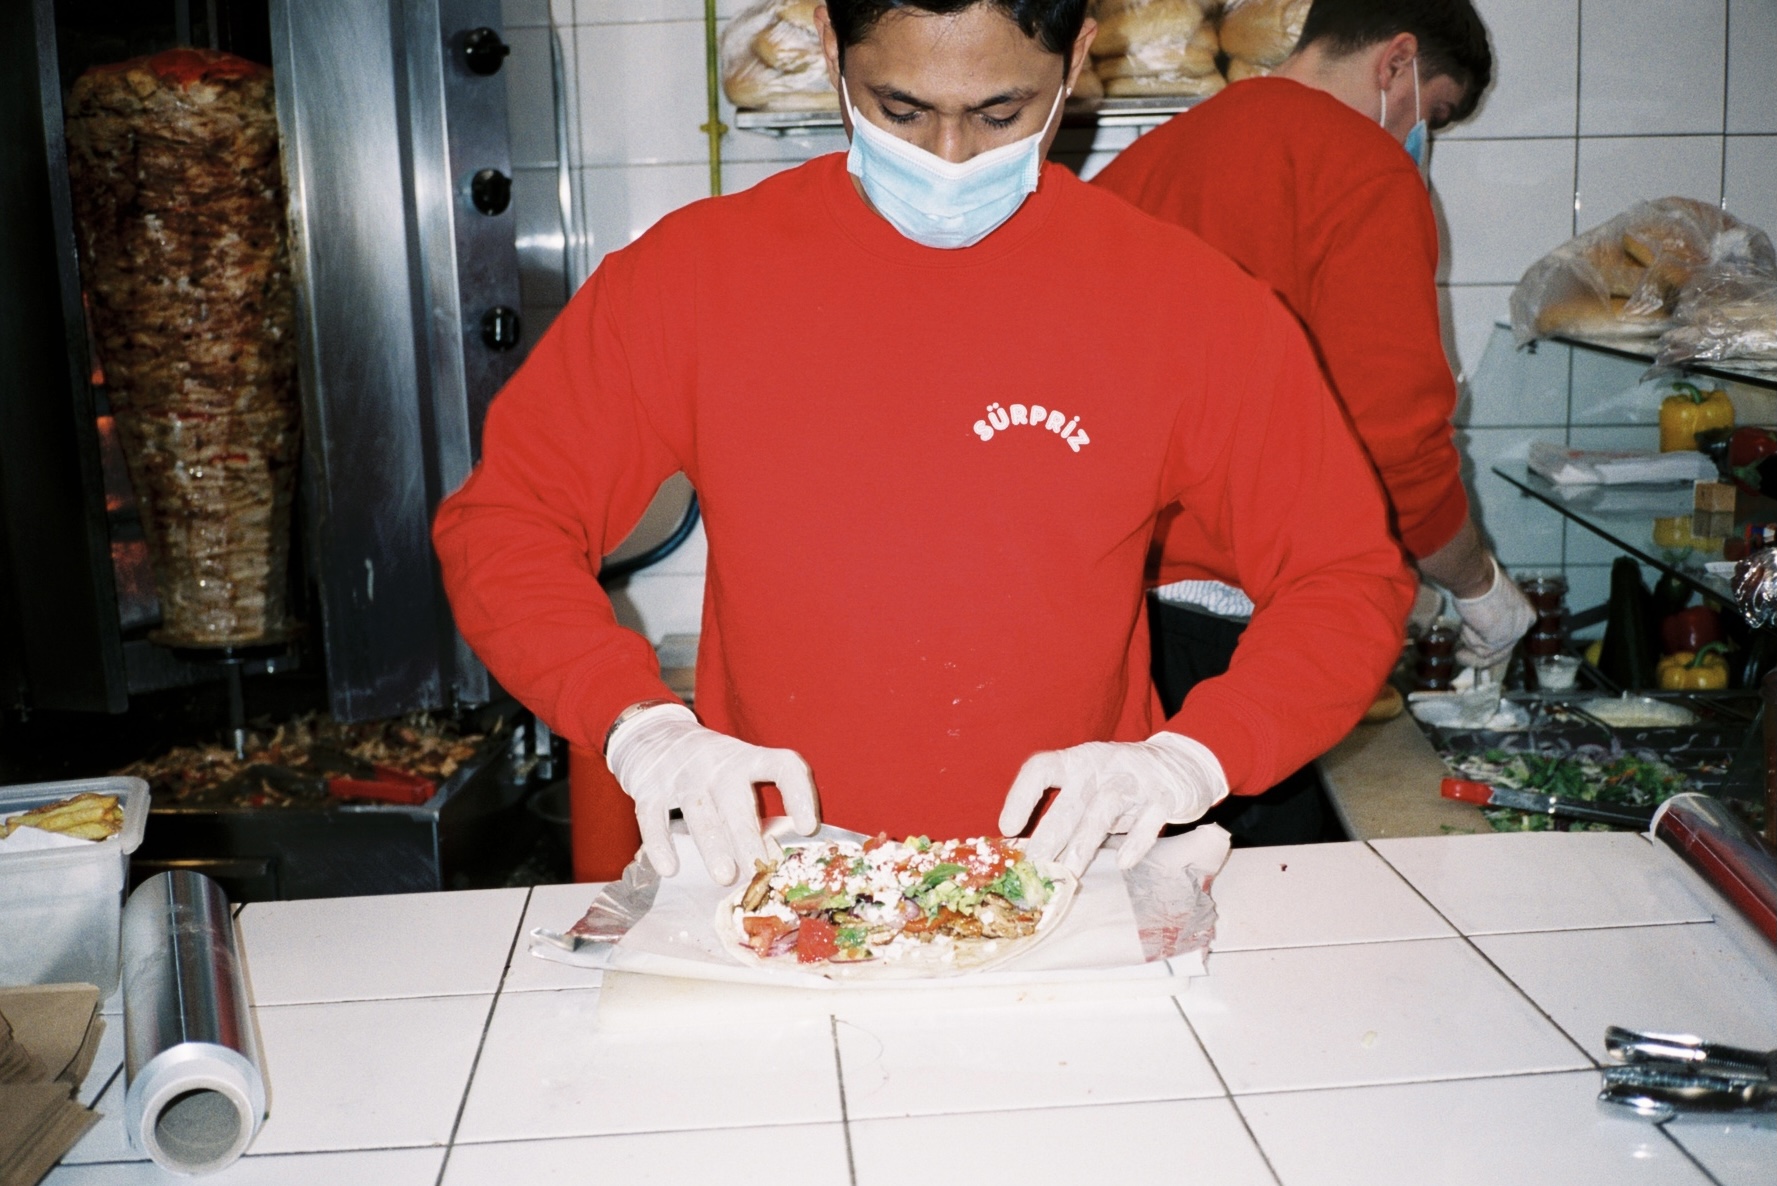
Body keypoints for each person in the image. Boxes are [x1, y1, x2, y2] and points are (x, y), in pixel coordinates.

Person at [432, 0, 1416, 886]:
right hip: (780, 873)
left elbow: (1343, 577)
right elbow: (507, 523)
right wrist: (635, 722)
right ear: (830, 43)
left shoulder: (1187, 304)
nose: (948, 157)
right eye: (900, 110)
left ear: (1076, 58)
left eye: (1000, 113)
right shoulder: (688, 280)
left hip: (1067, 875)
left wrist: (1191, 759)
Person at [1091, 0, 1533, 842]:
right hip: (1235, 638)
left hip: (1110, 624)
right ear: (1395, 62)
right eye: (1432, 113)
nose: (1418, 138)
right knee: (1269, 897)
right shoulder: (1362, 169)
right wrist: (1478, 586)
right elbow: (1394, 446)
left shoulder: (1148, 161)